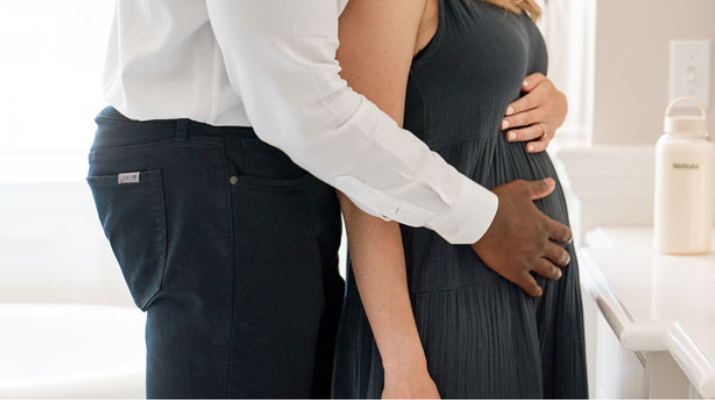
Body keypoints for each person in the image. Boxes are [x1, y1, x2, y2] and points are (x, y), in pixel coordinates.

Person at [89, 0, 572, 397]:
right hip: (218, 166)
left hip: (252, 165)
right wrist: (484, 219)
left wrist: (548, 98)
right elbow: (305, 107)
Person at [331, 0, 588, 397]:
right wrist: (403, 365)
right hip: (447, 298)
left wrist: (554, 102)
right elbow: (362, 182)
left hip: (526, 293)